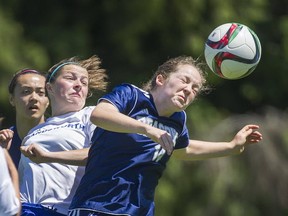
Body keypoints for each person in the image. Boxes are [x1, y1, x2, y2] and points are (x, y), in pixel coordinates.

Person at [68, 56, 263, 216]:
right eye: (184, 80)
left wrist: (231, 147)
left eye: (195, 89)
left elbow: (184, 149)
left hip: (140, 212)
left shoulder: (178, 120)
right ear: (160, 79)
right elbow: (99, 115)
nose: (189, 90)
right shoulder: (132, 96)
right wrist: (146, 128)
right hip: (95, 206)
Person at [18, 55, 108, 216]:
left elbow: (100, 153)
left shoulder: (91, 115)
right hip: (25, 209)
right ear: (50, 88)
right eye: (70, 78)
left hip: (63, 211)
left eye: (84, 82)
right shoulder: (34, 133)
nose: (79, 85)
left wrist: (48, 156)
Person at [0, 69, 49, 168]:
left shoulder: (62, 137)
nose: (34, 98)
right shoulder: (3, 142)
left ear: (48, 101)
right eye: (26, 92)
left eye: (41, 93)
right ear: (12, 99)